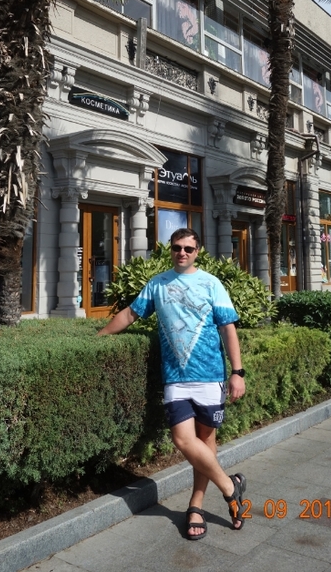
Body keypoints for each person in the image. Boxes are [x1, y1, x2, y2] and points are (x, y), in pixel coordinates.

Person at [97, 227, 247, 540]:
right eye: (177, 247)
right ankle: (230, 487)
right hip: (175, 379)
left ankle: (196, 507)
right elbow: (130, 314)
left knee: (205, 442)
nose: (182, 253)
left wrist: (238, 372)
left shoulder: (211, 283)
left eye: (188, 249)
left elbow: (228, 328)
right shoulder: (158, 283)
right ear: (171, 249)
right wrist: (98, 337)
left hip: (210, 376)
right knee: (183, 440)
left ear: (197, 252)